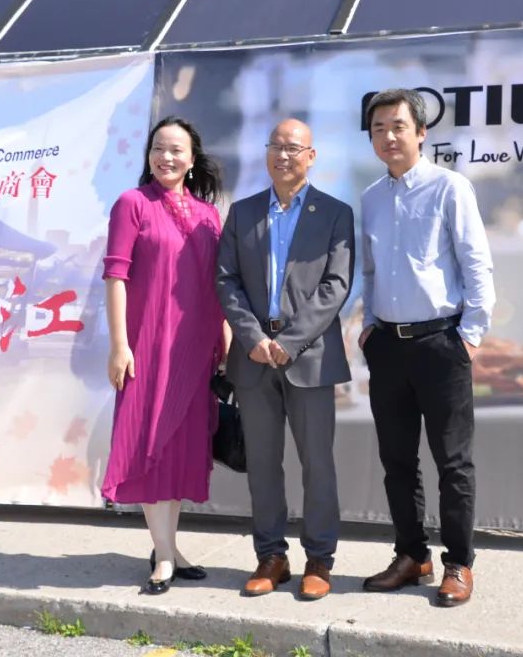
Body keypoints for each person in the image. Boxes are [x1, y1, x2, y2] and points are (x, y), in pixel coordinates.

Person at [358, 89, 495, 607]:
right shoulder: (371, 198)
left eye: (398, 126)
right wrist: (369, 326)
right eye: (378, 129)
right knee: (397, 461)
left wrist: (470, 336)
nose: (388, 136)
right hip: (388, 347)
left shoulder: (449, 187)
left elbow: (476, 263)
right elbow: (370, 272)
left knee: (453, 463)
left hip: (441, 343)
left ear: (421, 133)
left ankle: (458, 563)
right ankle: (412, 556)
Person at [215, 118, 354, 601]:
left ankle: (320, 559)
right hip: (253, 357)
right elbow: (227, 280)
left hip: (309, 357)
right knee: (262, 464)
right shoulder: (243, 212)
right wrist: (252, 337)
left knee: (318, 464)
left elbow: (336, 285)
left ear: (311, 157)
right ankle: (270, 556)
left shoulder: (334, 213)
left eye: (294, 148)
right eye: (276, 146)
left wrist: (290, 341)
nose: (283, 154)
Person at [101, 116, 229, 595]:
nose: (166, 157)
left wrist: (224, 344)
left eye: (176, 149)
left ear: (192, 160)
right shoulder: (132, 204)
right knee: (150, 448)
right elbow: (116, 277)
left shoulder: (208, 215)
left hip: (194, 352)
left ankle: (168, 548)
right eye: (158, 148)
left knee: (179, 451)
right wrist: (120, 345)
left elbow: (216, 287)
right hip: (148, 347)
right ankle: (164, 559)